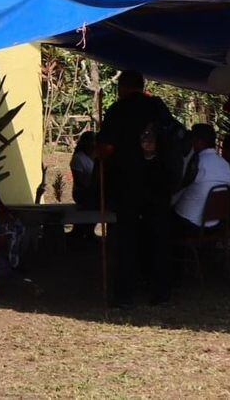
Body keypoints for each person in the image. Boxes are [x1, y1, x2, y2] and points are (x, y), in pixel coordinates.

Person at [99, 70, 176, 306]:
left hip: (128, 182)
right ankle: (161, 291)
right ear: (142, 86)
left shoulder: (118, 110)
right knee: (159, 237)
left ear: (122, 87)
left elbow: (108, 148)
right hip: (159, 181)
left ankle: (125, 295)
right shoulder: (158, 107)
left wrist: (100, 154)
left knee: (126, 239)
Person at [171, 123, 230, 235]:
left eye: (192, 140)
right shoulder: (226, 165)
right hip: (214, 224)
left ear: (199, 142)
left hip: (189, 224)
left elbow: (180, 186)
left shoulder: (196, 162)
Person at [70, 130, 98, 206]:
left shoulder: (98, 156)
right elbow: (80, 182)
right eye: (92, 141)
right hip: (82, 194)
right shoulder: (78, 158)